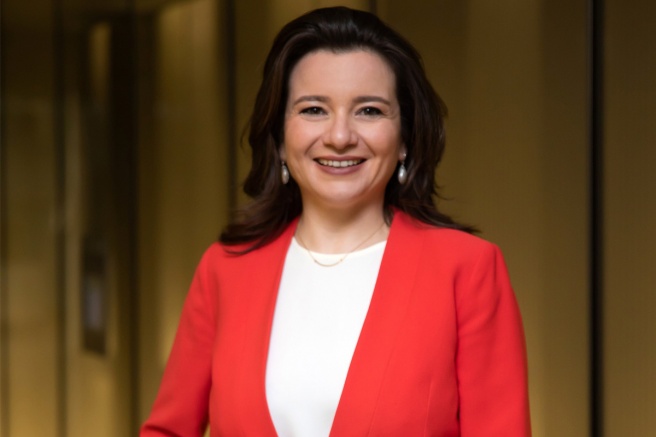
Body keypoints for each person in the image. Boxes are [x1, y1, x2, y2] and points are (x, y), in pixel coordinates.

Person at [141, 6, 530, 437]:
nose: (340, 136)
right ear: (280, 137)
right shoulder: (225, 269)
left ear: (404, 138)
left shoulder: (468, 270)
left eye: (369, 111)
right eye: (313, 110)